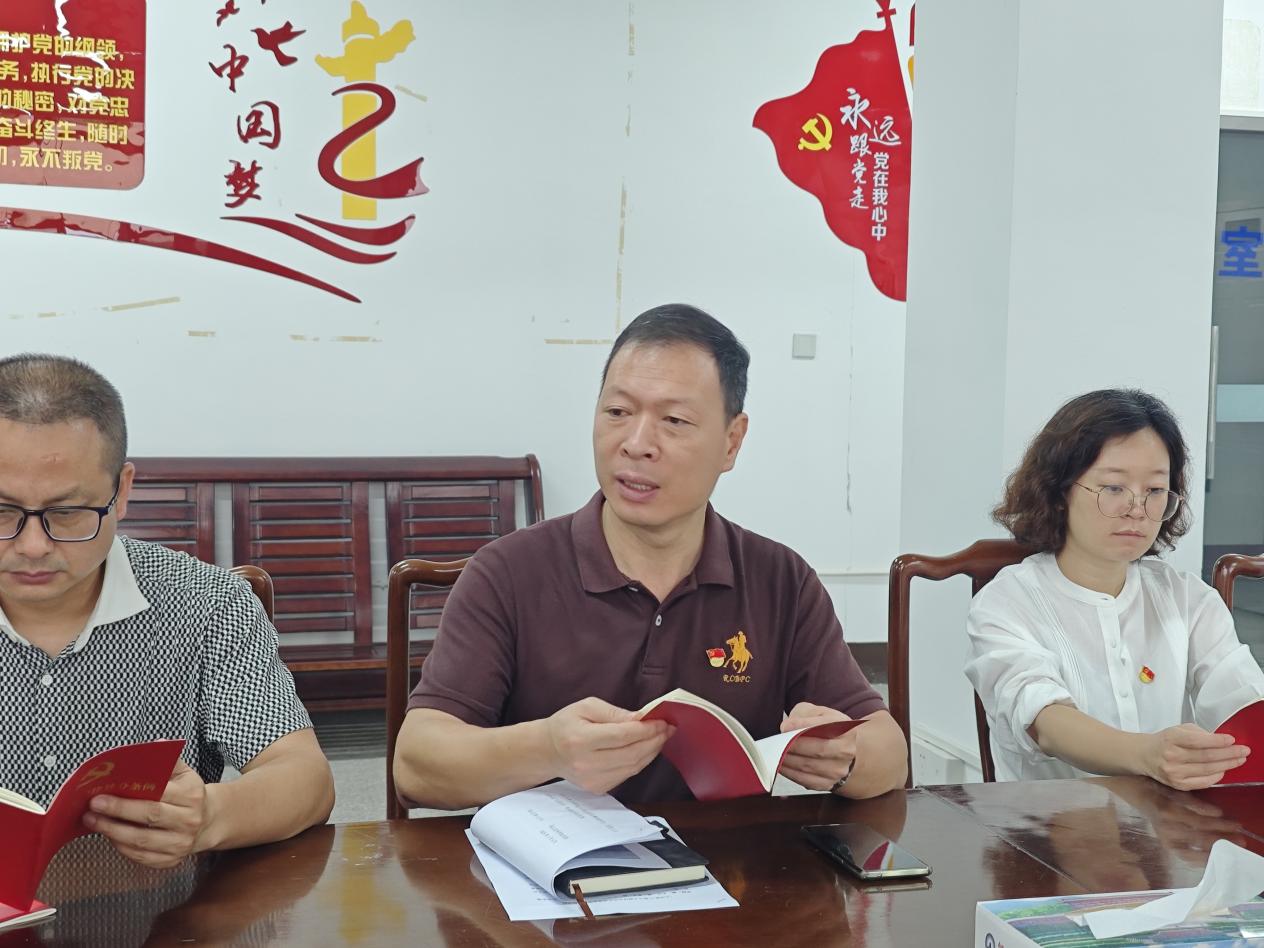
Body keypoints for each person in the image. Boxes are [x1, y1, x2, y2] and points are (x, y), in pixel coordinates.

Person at [394, 303, 907, 807]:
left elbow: (890, 754)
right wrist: (547, 749)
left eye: (675, 420)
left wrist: (848, 758)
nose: (637, 444)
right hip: (551, 859)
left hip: (724, 861)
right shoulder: (508, 572)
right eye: (617, 412)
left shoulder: (780, 580)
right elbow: (416, 765)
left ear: (732, 442)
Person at [0, 354, 334, 868]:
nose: (33, 546)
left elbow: (305, 779)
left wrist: (211, 816)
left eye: (67, 512)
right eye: (2, 511)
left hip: (156, 905)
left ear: (122, 491)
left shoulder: (207, 603)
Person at [966, 389, 1264, 788]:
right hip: (1047, 821)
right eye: (1113, 488)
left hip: (1168, 821)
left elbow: (1242, 698)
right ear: (1058, 492)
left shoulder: (1188, 599)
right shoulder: (1008, 602)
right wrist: (1146, 755)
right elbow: (1043, 720)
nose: (1136, 510)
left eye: (1154, 491)